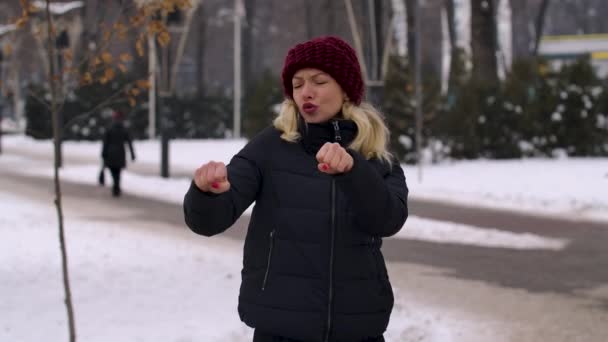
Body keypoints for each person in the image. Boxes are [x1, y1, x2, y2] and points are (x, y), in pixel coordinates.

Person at [183, 36, 408, 342]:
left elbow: (388, 220)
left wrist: (353, 172)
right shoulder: (271, 147)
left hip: (358, 328)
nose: (307, 92)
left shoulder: (375, 157)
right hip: (280, 329)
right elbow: (209, 221)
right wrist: (207, 192)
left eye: (319, 81)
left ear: (345, 90)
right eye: (298, 83)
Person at [101, 110, 135, 197]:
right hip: (120, 153)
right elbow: (129, 142)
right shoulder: (124, 129)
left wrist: (103, 153)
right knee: (118, 172)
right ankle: (117, 185)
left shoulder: (109, 128)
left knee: (113, 171)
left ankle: (115, 185)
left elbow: (105, 143)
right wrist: (132, 154)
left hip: (110, 153)